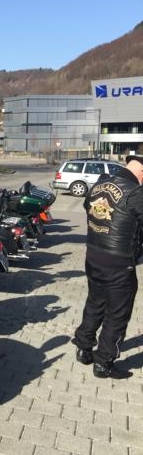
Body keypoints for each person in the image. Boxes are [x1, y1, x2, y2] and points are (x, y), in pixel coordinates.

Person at [72, 154, 143, 379]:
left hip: (93, 255)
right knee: (117, 313)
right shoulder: (136, 192)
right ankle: (104, 362)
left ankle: (83, 348)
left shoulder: (99, 184)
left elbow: (89, 208)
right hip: (119, 262)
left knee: (95, 303)